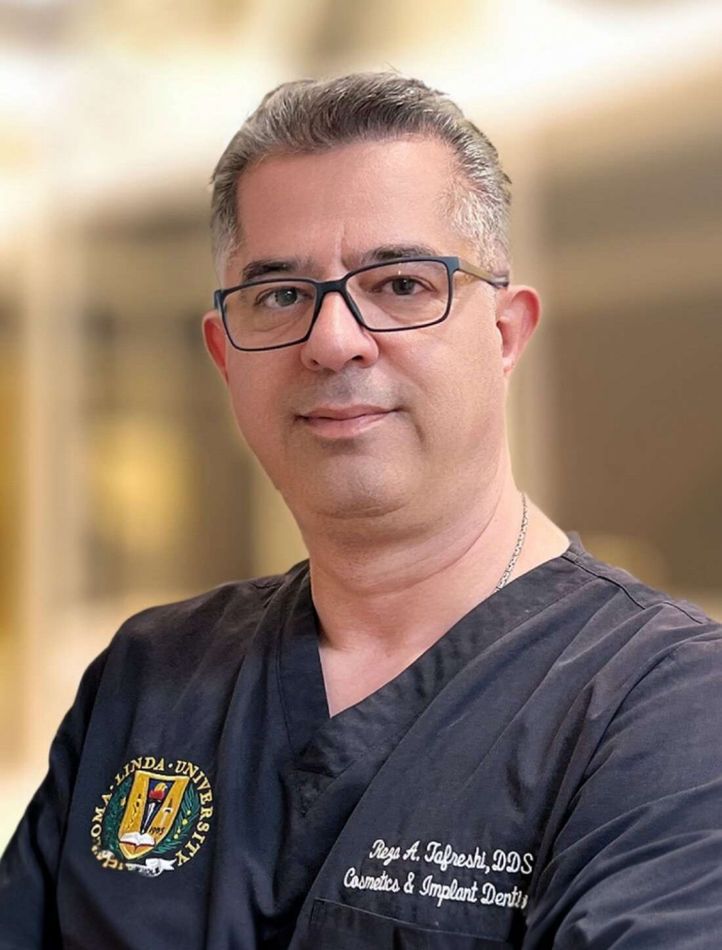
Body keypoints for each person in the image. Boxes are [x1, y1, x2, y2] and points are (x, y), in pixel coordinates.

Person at [1, 72, 720, 949]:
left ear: (504, 334)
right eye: (279, 296)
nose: (333, 339)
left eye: (402, 284)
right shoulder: (147, 680)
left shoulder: (669, 711)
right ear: (226, 358)